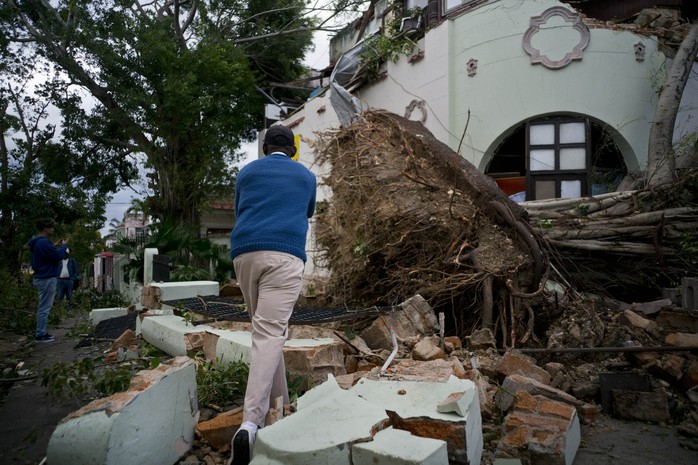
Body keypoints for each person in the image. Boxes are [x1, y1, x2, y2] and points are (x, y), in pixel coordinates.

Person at [228, 124, 316, 465]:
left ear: (265, 148)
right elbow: (307, 211)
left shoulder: (246, 173)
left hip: (245, 253)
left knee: (267, 331)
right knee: (269, 332)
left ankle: (281, 404)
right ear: (292, 149)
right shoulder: (306, 176)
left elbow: (240, 211)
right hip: (284, 254)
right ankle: (251, 423)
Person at [27, 219, 69, 342]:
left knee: (43, 307)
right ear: (45, 228)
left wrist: (54, 246)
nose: (53, 229)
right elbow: (57, 256)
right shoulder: (43, 243)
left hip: (40, 277)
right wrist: (63, 246)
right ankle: (41, 335)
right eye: (51, 227)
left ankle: (42, 332)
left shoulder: (37, 242)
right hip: (46, 278)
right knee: (44, 308)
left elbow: (47, 254)